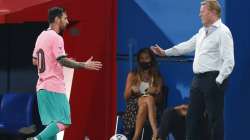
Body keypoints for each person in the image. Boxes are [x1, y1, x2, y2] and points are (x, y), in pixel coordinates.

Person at [151, 0, 234, 140]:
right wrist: (165, 52)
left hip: (214, 78)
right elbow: (187, 46)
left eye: (202, 12)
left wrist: (218, 81)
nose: (199, 14)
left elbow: (229, 61)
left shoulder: (223, 32)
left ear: (213, 12)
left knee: (214, 118)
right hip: (197, 80)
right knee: (192, 118)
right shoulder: (202, 32)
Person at [27, 7, 102, 140]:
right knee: (64, 121)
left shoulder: (41, 36)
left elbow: (34, 61)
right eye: (65, 18)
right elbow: (62, 60)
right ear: (57, 19)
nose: (67, 22)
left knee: (52, 127)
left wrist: (55, 61)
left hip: (42, 89)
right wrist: (83, 65)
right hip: (54, 87)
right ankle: (36, 139)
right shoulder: (56, 38)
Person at [122, 48, 163, 140]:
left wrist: (156, 91)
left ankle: (135, 137)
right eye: (142, 58)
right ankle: (155, 132)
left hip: (151, 108)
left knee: (147, 102)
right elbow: (126, 97)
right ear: (138, 60)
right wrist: (132, 90)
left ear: (151, 60)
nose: (144, 61)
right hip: (133, 106)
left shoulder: (157, 77)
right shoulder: (133, 75)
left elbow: (160, 100)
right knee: (148, 99)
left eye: (147, 58)